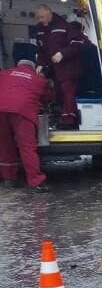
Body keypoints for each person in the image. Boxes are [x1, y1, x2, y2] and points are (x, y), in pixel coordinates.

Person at [0, 60, 52, 192]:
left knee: (5, 146)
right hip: (23, 112)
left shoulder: (4, 74)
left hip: (1, 110)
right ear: (34, 69)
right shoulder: (38, 80)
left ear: (18, 66)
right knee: (27, 148)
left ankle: (9, 179)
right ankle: (36, 182)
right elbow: (47, 98)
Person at [33, 5, 85, 129]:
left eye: (42, 17)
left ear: (50, 13)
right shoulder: (40, 29)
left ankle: (69, 120)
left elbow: (77, 44)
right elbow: (40, 50)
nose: (41, 20)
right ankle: (61, 116)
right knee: (59, 94)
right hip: (54, 69)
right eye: (39, 18)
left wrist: (63, 53)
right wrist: (40, 63)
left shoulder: (64, 26)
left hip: (68, 68)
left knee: (68, 93)